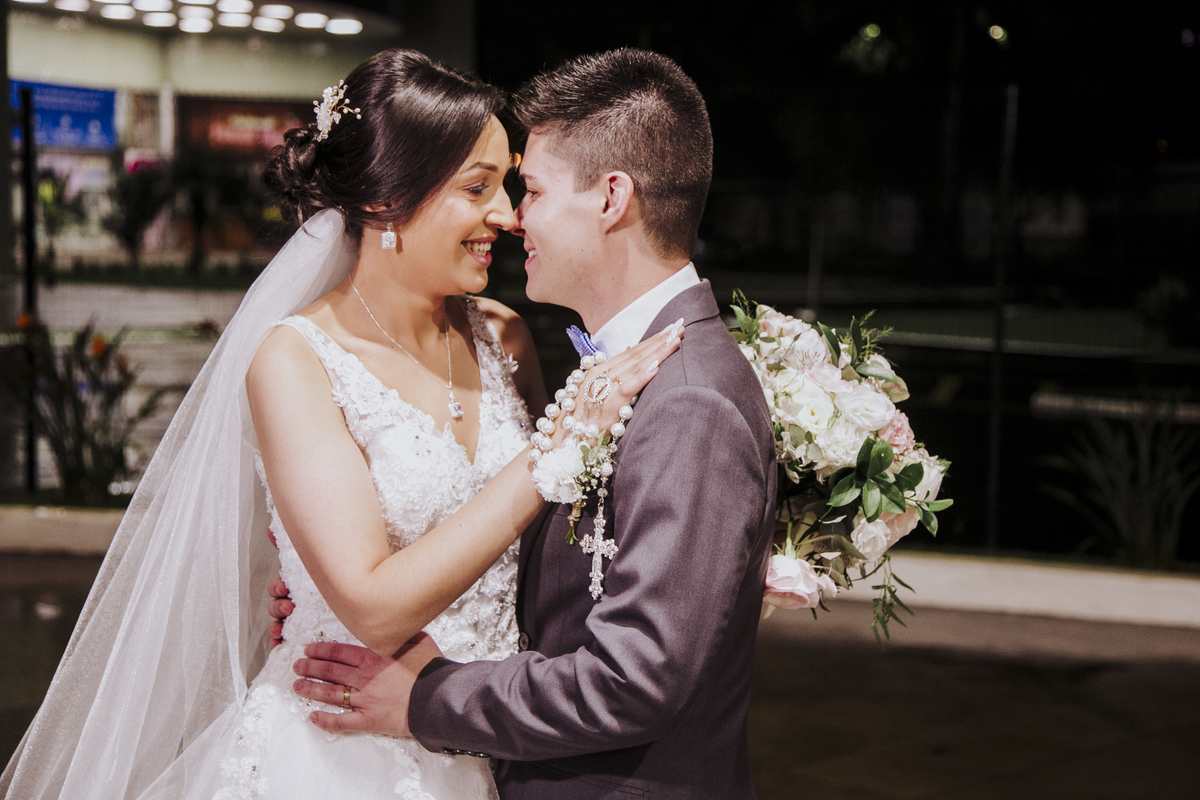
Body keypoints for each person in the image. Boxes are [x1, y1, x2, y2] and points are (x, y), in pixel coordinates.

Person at [0, 49, 676, 800]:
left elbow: (542, 548)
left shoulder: (504, 336)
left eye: (509, 186)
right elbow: (374, 605)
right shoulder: (295, 361)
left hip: (486, 735)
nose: (507, 214)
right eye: (478, 187)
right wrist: (554, 449)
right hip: (339, 751)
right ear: (387, 199)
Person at [291, 48, 778, 799]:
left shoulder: (687, 401)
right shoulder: (622, 371)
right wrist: (316, 593)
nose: (514, 217)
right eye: (485, 188)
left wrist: (426, 699)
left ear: (611, 198)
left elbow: (632, 677)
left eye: (533, 189)